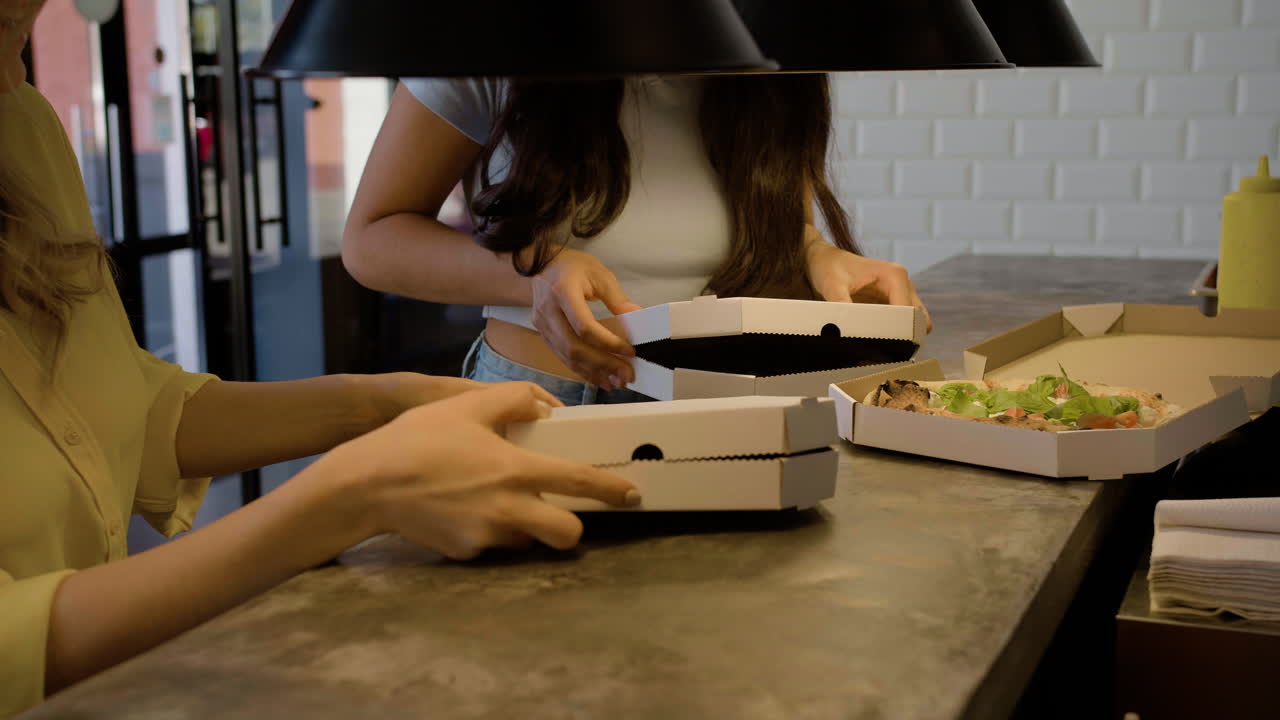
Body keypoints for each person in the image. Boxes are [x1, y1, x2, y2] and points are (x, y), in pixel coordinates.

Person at [0, 4, 639, 715]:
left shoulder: (19, 118)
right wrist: (352, 496)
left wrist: (384, 403)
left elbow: (127, 411)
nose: (27, 30)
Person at [342, 73, 931, 406]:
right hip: (543, 401)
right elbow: (372, 238)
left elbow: (778, 221)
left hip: (725, 403)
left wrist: (817, 253)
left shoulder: (775, 53)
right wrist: (537, 273)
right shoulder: (494, 40)